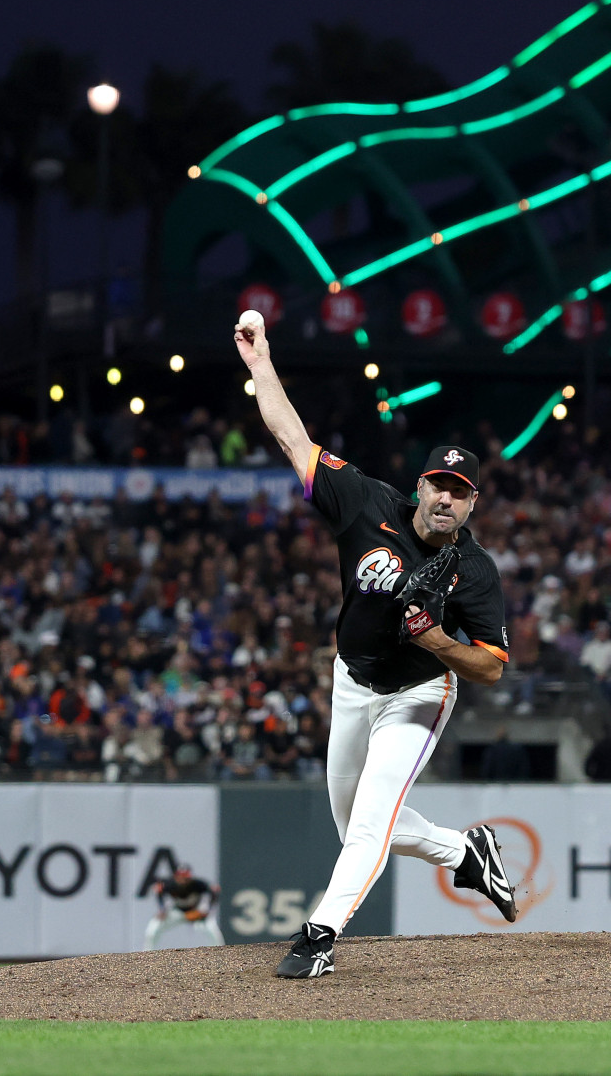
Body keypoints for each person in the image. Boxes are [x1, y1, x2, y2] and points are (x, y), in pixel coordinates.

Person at [234, 312, 520, 980]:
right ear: (419, 485)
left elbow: (493, 668)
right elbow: (291, 437)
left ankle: (318, 935)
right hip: (353, 679)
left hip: (420, 691)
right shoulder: (367, 502)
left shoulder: (475, 571)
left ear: (473, 504)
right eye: (439, 484)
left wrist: (437, 637)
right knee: (356, 825)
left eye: (461, 491)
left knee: (369, 824)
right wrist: (260, 365)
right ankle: (466, 854)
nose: (447, 497)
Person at [143, 865, 225, 949]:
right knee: (154, 927)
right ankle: (147, 953)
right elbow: (158, 890)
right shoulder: (170, 884)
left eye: (186, 878)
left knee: (213, 931)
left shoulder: (197, 884)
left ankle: (220, 952)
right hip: (178, 912)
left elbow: (214, 891)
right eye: (181, 877)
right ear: (176, 877)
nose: (183, 880)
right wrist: (162, 909)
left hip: (196, 913)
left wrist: (207, 910)